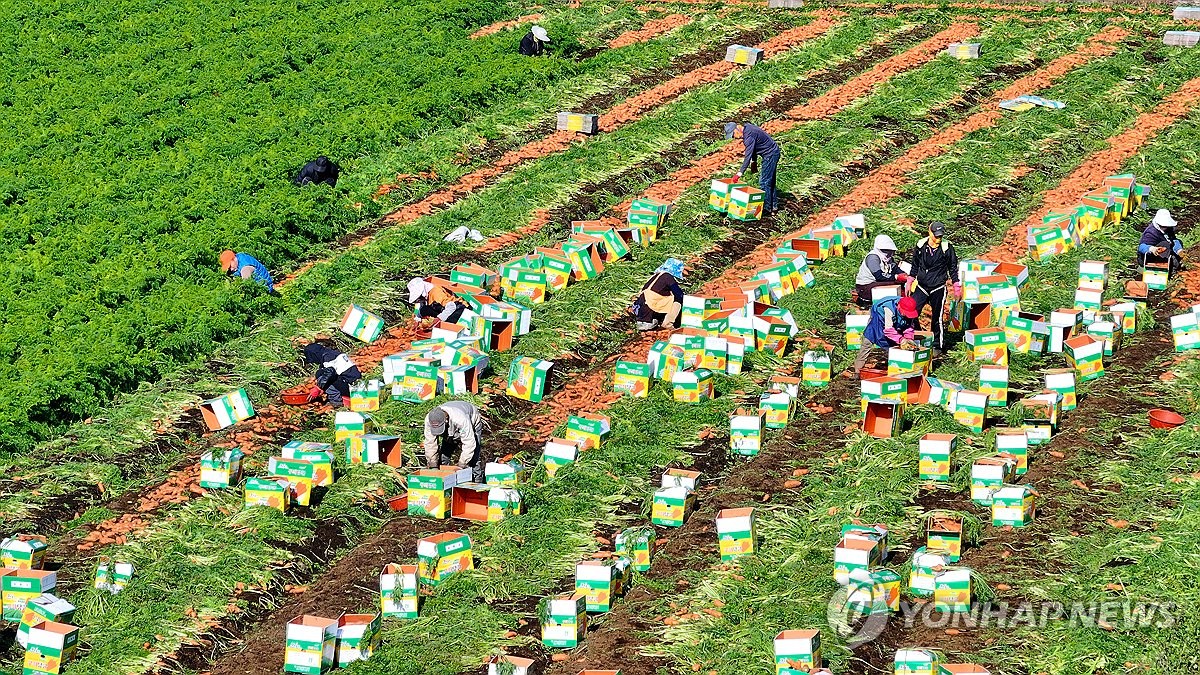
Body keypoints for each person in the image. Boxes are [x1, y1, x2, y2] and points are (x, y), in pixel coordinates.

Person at [908, 221, 961, 356]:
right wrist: (910, 279)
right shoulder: (921, 246)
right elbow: (915, 264)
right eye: (936, 236)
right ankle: (916, 337)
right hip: (922, 286)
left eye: (940, 236)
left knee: (937, 317)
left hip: (938, 287)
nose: (938, 239)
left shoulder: (946, 248)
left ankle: (937, 345)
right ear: (929, 232)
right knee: (912, 311)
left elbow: (953, 268)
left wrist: (956, 286)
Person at [853, 296, 920, 376]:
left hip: (894, 320)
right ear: (899, 307)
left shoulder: (910, 310)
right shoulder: (889, 309)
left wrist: (909, 339)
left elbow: (909, 327)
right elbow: (888, 330)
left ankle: (897, 366)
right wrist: (901, 339)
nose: (907, 315)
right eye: (905, 313)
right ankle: (857, 370)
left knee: (895, 344)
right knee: (868, 341)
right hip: (878, 317)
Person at [725, 121, 781, 215]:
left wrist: (739, 173)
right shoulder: (748, 128)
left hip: (770, 154)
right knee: (770, 181)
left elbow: (748, 155)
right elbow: (755, 147)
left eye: (733, 135)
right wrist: (754, 161)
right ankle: (774, 207)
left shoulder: (748, 136)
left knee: (764, 182)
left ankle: (767, 209)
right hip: (772, 152)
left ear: (737, 129)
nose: (735, 138)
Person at [424, 401, 486, 482]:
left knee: (474, 458)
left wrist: (461, 465)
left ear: (445, 420)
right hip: (450, 427)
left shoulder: (460, 419)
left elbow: (469, 443)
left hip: (472, 420)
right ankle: (445, 479)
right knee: (444, 455)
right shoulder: (429, 419)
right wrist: (433, 464)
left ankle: (477, 481)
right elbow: (430, 443)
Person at [854, 234, 912, 308]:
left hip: (876, 283)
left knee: (900, 284)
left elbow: (895, 268)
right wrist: (897, 277)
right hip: (865, 287)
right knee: (896, 284)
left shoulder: (888, 258)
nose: (888, 253)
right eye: (885, 251)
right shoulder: (873, 258)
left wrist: (905, 275)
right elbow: (879, 276)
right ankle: (901, 304)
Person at [632, 258, 685, 331]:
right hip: (648, 322)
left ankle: (658, 320)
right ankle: (668, 324)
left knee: (668, 297)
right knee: (677, 301)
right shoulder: (667, 277)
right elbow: (679, 294)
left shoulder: (656, 276)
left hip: (641, 317)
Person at [303, 343, 362, 407]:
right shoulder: (331, 353)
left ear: (314, 355)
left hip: (352, 387)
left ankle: (336, 402)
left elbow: (329, 373)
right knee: (322, 373)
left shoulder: (328, 357)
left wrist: (318, 388)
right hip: (354, 382)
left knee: (322, 376)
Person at [1138, 208, 1183, 274]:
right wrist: (1152, 249)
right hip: (1150, 257)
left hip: (1165, 253)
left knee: (1178, 242)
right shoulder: (1151, 232)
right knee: (1165, 244)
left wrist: (1179, 250)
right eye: (1163, 226)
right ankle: (1164, 269)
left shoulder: (1168, 229)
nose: (1165, 227)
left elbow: (1173, 240)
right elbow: (1141, 247)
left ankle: (1172, 267)